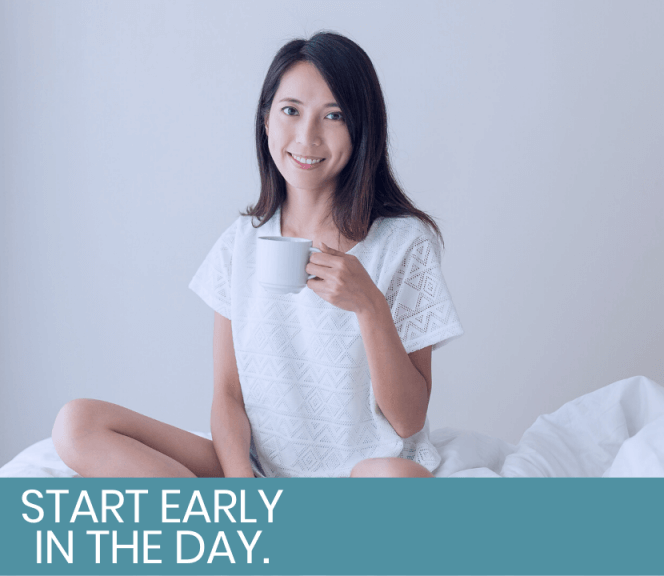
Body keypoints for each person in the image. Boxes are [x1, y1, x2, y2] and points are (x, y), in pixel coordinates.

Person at [51, 31, 463, 478]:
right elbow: (228, 396)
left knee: (399, 479)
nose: (307, 136)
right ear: (266, 119)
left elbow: (408, 420)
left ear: (361, 129)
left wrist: (369, 305)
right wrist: (240, 485)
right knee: (77, 423)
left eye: (334, 116)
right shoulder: (239, 244)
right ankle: (245, 522)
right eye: (291, 111)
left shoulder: (403, 243)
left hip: (358, 473)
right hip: (258, 471)